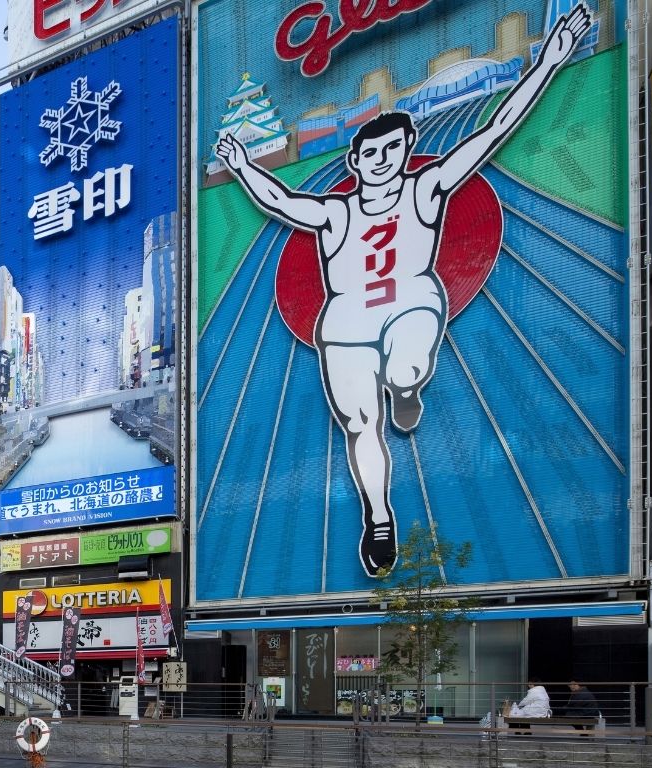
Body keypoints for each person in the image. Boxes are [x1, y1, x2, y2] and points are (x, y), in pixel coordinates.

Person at [215, 4, 591, 577]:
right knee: (361, 425)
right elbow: (281, 202)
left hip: (412, 301)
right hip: (345, 326)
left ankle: (407, 385)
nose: (382, 160)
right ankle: (379, 517)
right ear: (356, 161)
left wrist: (550, 60)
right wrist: (243, 167)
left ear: (404, 149)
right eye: (370, 154)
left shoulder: (426, 189)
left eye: (391, 150)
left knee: (407, 365)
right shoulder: (336, 213)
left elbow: (494, 131)